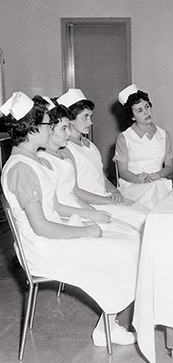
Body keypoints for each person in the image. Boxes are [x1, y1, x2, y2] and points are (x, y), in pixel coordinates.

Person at [0, 92, 140, 347]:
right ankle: (106, 328)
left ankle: (107, 324)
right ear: (32, 129)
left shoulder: (34, 160)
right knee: (125, 252)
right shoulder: (21, 168)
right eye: (47, 124)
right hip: (43, 248)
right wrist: (85, 232)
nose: (51, 128)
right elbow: (41, 226)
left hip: (55, 233)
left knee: (131, 241)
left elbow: (54, 206)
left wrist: (83, 220)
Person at [56, 88, 148, 230]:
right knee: (141, 222)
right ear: (71, 120)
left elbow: (103, 179)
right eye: (85, 117)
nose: (90, 122)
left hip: (106, 199)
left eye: (90, 117)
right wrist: (108, 201)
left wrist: (117, 194)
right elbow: (75, 191)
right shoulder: (66, 150)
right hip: (91, 205)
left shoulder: (90, 146)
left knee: (146, 212)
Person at [113, 84, 173, 210]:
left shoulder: (163, 134)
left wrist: (157, 175)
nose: (146, 112)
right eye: (139, 110)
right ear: (132, 116)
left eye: (147, 107)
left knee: (159, 189)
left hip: (158, 182)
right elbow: (123, 172)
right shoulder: (125, 137)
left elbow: (169, 166)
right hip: (134, 185)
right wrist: (140, 179)